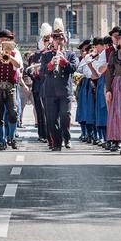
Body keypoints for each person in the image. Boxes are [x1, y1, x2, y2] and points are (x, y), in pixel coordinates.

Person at [40, 19, 78, 151]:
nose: (58, 40)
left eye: (60, 38)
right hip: (50, 91)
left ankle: (66, 138)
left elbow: (74, 68)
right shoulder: (46, 56)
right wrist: (51, 64)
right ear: (52, 40)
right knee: (51, 120)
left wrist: (63, 61)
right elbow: (42, 72)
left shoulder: (71, 54)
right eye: (55, 38)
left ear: (64, 40)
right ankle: (56, 142)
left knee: (65, 116)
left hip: (65, 91)